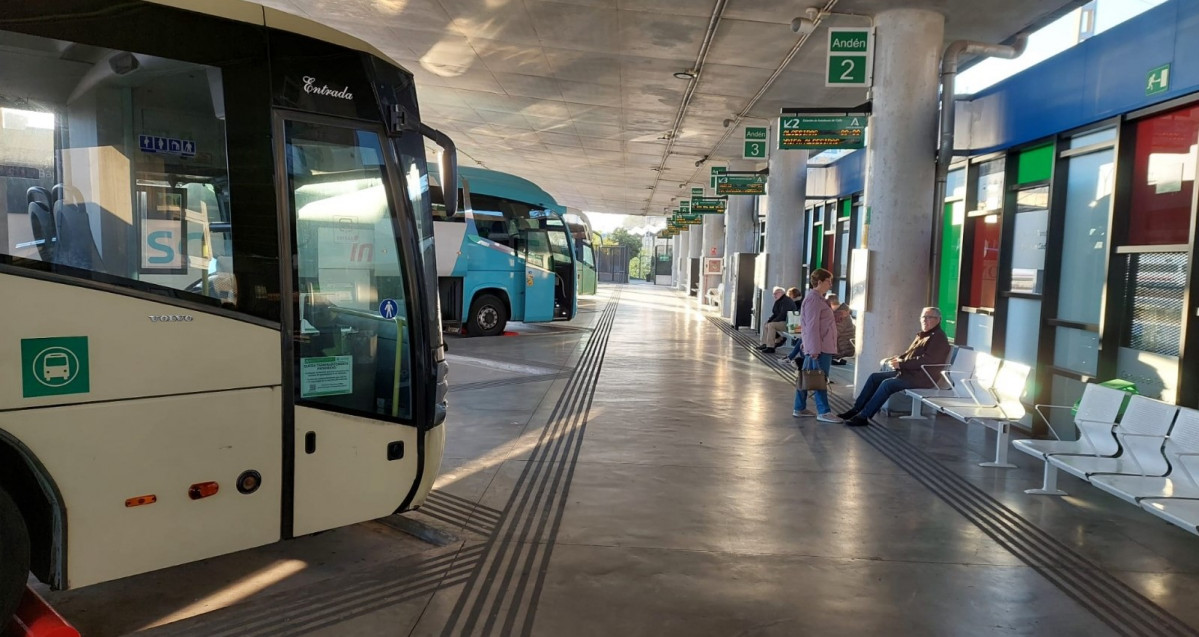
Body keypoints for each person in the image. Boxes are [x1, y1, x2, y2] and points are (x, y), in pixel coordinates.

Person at [838, 307, 952, 426]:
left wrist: (901, 364)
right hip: (910, 374)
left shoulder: (938, 337)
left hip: (922, 378)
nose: (925, 320)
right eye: (923, 317)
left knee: (888, 384)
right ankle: (856, 410)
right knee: (874, 377)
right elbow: (910, 353)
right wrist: (899, 359)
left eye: (929, 317)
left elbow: (928, 360)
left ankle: (863, 416)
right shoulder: (924, 335)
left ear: (938, 320)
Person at [793, 268, 841, 423]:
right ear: (819, 282)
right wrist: (813, 349)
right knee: (820, 377)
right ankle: (823, 411)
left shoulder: (818, 299)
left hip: (817, 346)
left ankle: (799, 408)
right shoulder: (814, 299)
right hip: (820, 347)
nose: (830, 284)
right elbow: (812, 326)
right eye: (828, 281)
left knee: (807, 376)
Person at [757, 286, 796, 353]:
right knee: (766, 324)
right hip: (783, 321)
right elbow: (775, 313)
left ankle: (771, 347)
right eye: (774, 294)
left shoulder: (786, 301)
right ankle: (765, 343)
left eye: (776, 293)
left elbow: (783, 314)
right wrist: (770, 320)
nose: (774, 295)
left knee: (771, 325)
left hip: (790, 323)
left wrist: (772, 321)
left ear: (781, 293)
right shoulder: (778, 301)